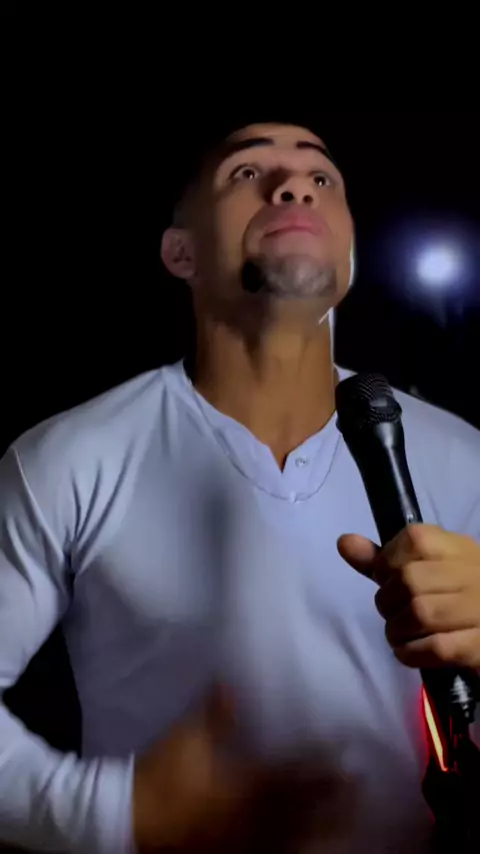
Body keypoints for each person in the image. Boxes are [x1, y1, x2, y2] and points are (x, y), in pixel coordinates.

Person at [0, 119, 479, 854]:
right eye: (246, 173)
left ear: (350, 252)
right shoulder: (69, 459)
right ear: (180, 252)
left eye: (322, 178)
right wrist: (117, 815)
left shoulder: (462, 457)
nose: (294, 187)